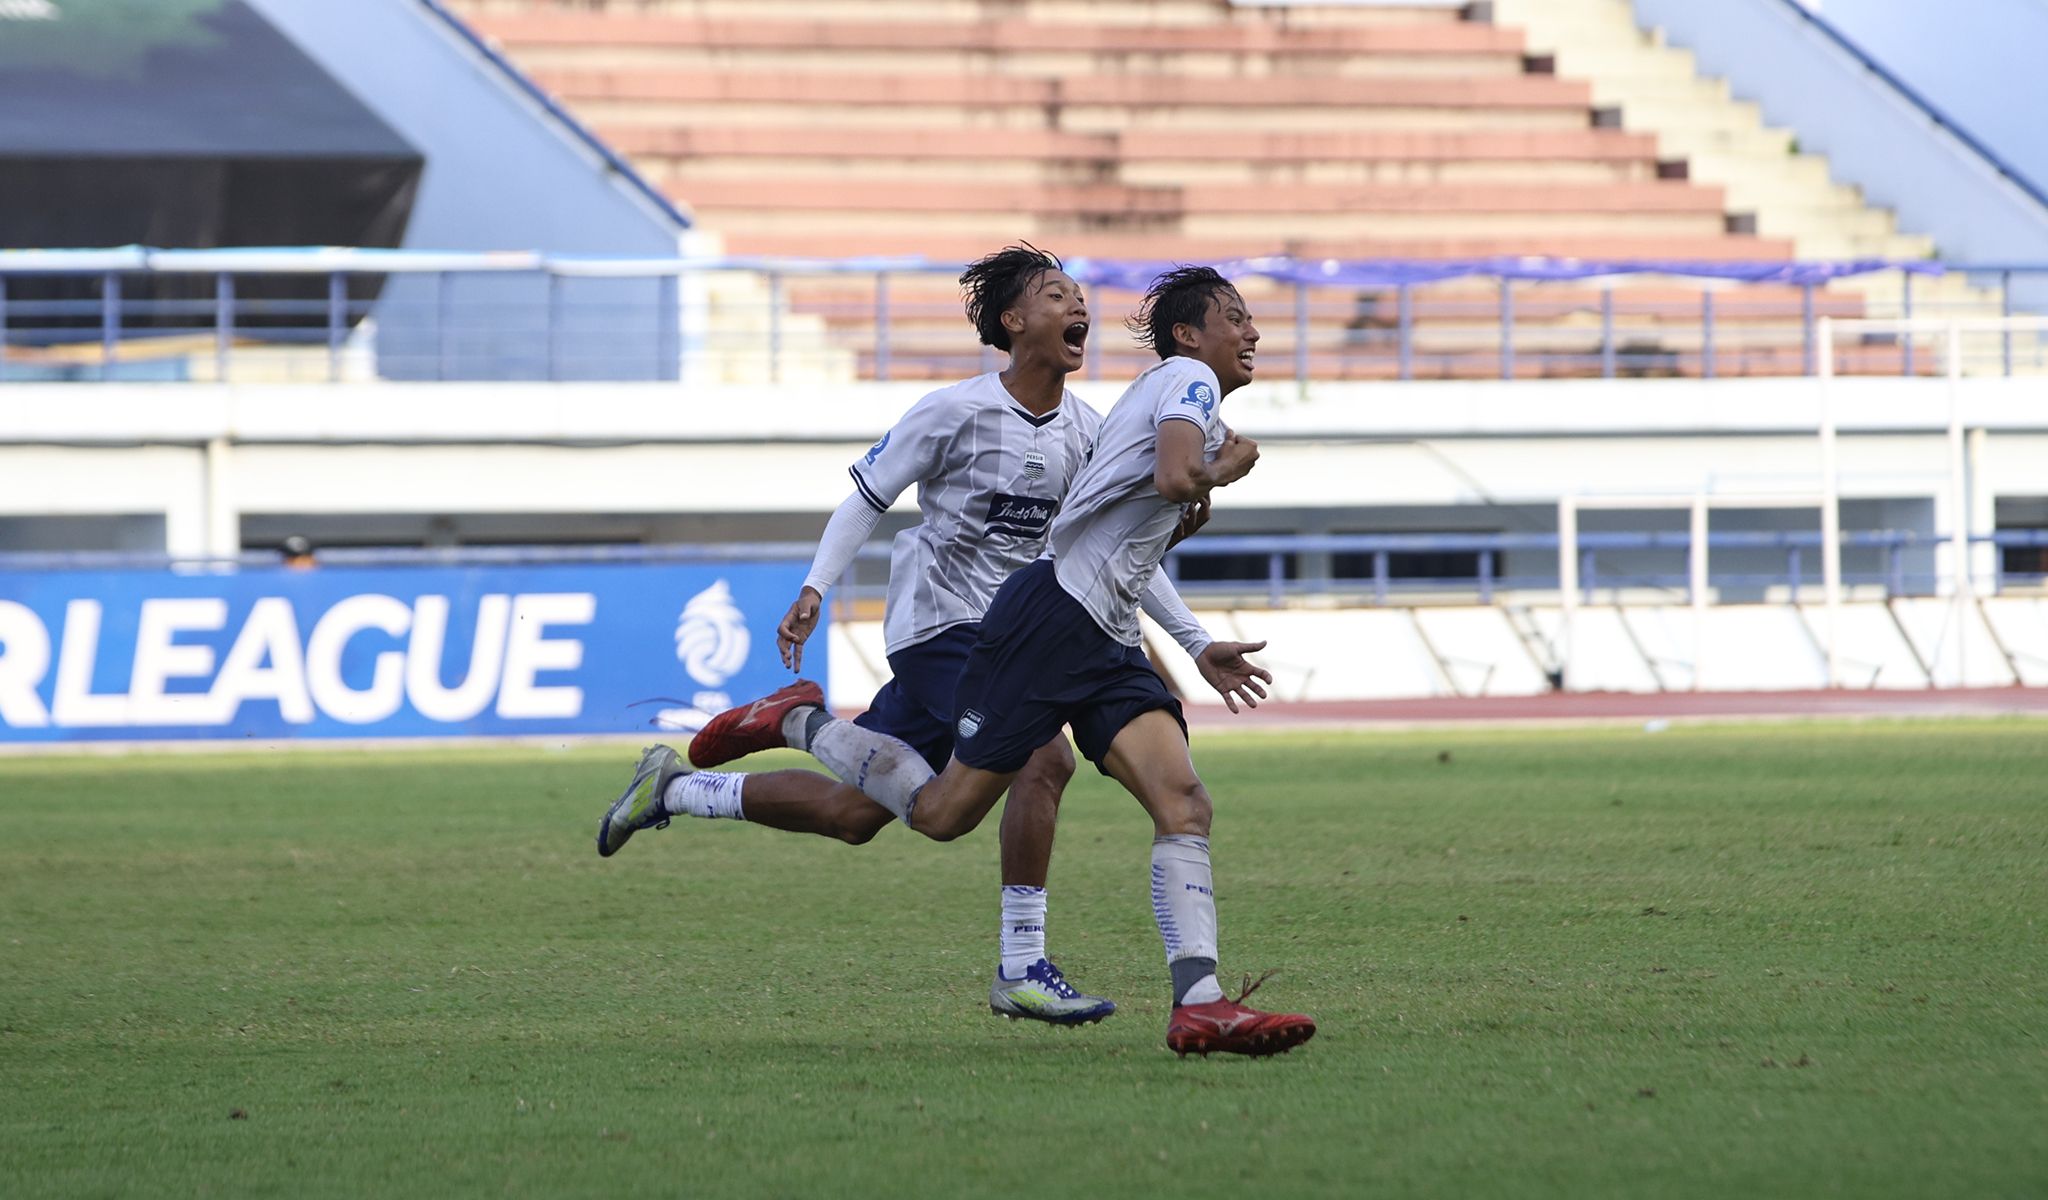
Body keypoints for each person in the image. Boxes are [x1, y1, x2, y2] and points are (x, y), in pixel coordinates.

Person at [597, 246, 1250, 1027]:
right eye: (1056, 295)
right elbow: (867, 499)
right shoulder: (953, 411)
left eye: (1080, 295)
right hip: (941, 624)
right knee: (1043, 755)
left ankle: (679, 787)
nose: (1079, 306)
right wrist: (815, 586)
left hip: (1021, 631)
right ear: (1013, 322)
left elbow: (1113, 551)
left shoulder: (1089, 431)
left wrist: (1191, 637)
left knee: (857, 816)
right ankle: (1021, 963)